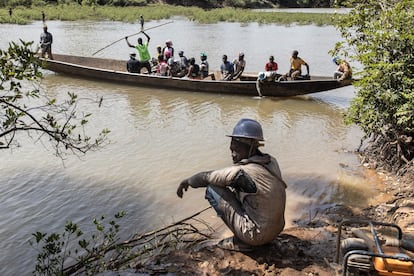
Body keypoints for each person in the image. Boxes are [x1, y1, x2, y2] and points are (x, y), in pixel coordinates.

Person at [177, 118, 287, 251]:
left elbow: (207, 177)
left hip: (256, 236)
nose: (233, 155)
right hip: (277, 230)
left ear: (251, 147)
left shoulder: (241, 172)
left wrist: (187, 181)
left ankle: (243, 241)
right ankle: (256, 235)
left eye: (236, 150)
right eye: (231, 150)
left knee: (212, 189)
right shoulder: (272, 162)